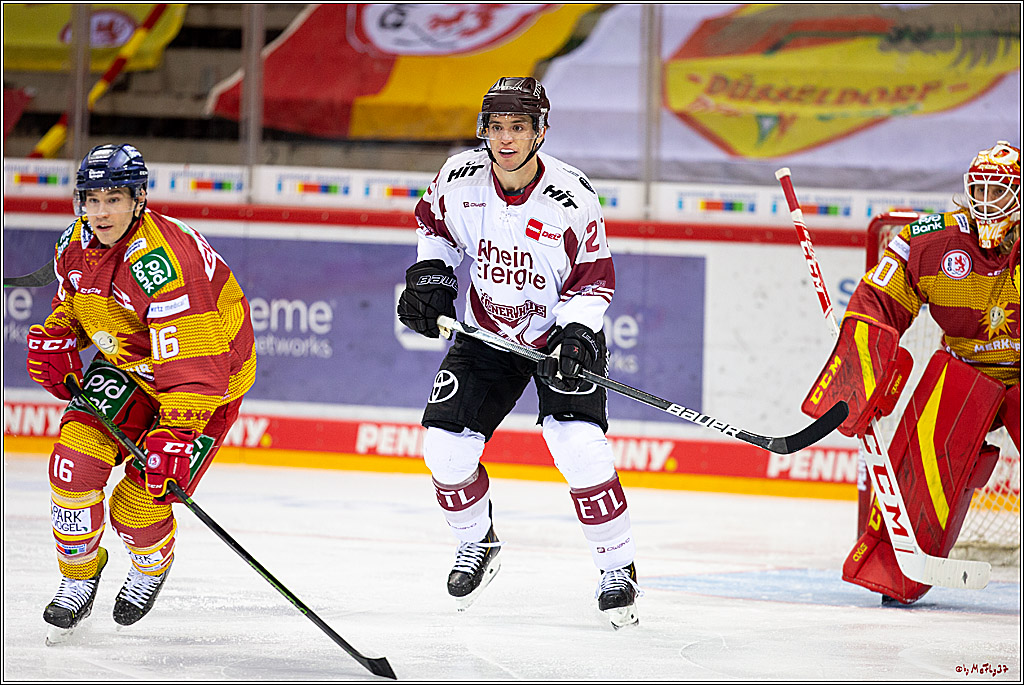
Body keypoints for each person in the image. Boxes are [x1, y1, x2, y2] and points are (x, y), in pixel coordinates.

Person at [397, 77, 639, 628]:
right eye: (497, 127)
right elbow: (434, 228)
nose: (505, 139)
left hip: (559, 336)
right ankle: (476, 541)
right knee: (444, 450)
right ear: (484, 130)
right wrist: (431, 276)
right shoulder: (458, 178)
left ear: (540, 132)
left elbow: (593, 280)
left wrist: (575, 335)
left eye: (519, 127)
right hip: (487, 333)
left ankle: (617, 567)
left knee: (578, 446)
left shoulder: (572, 196)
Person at [28, 143, 257, 640]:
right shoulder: (74, 241)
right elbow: (78, 300)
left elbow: (196, 365)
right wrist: (61, 334)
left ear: (139, 198)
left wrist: (176, 434)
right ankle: (78, 578)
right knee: (72, 466)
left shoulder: (163, 262)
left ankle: (151, 565)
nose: (101, 212)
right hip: (131, 369)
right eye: (92, 199)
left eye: (114, 199)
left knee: (137, 507)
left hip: (205, 388)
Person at [802, 140, 1020, 605]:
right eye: (980, 189)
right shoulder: (932, 240)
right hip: (967, 370)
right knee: (921, 459)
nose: (987, 202)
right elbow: (878, 301)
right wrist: (860, 370)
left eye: (999, 192)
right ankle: (896, 570)